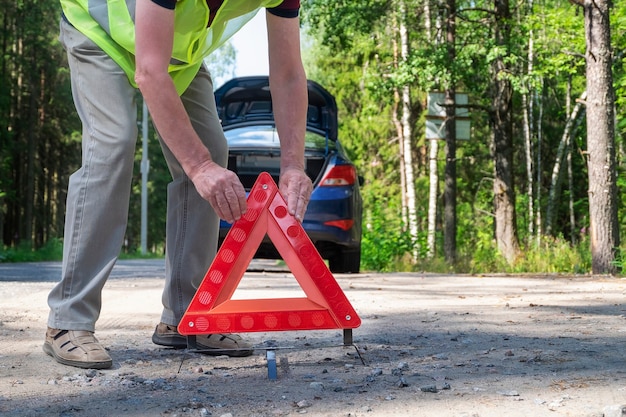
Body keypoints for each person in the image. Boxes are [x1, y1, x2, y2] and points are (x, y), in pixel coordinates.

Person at [44, 0, 312, 369]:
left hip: (173, 54)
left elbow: (288, 74)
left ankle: (186, 316)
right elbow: (149, 72)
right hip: (100, 29)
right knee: (113, 143)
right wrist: (199, 167)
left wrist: (293, 165)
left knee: (213, 148)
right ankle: (68, 321)